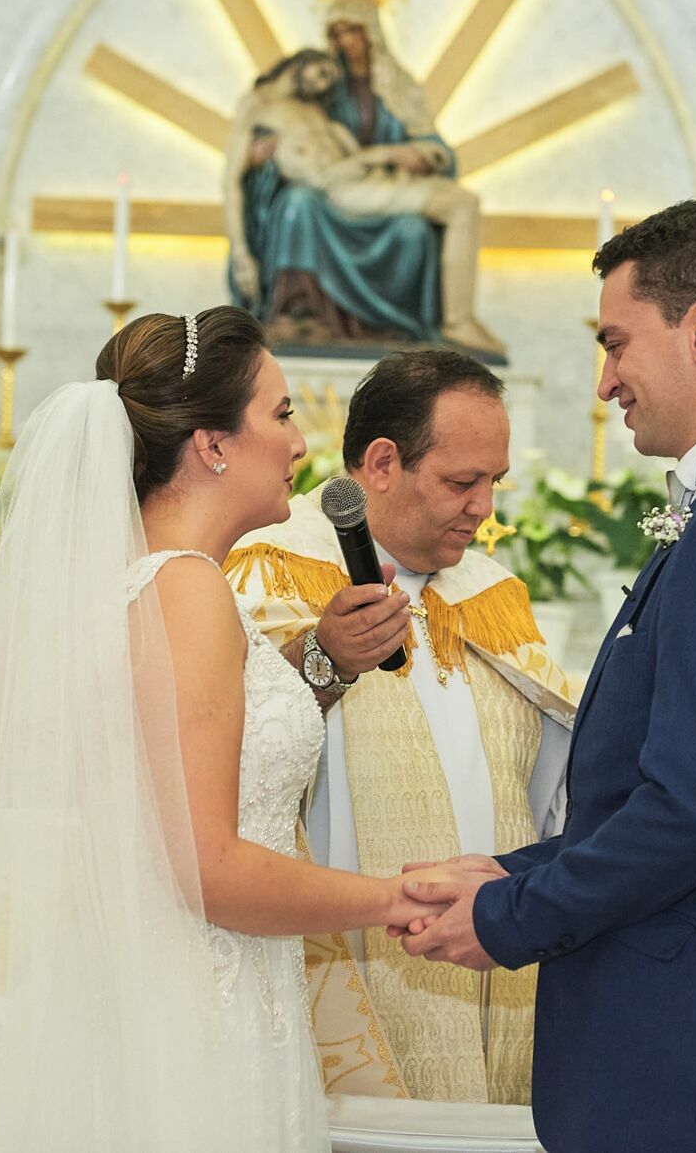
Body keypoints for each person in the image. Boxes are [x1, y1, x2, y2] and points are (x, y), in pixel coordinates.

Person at [0, 308, 451, 1151]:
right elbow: (205, 866)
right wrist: (396, 898)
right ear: (213, 445)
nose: (302, 444)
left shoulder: (155, 583)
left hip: (178, 993)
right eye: (281, 413)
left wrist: (324, 663)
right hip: (190, 1017)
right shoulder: (185, 590)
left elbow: (192, 752)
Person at [398, 200, 696, 1152]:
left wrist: (511, 914)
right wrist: (511, 867)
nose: (605, 379)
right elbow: (668, 798)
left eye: (617, 342)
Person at [227, 348, 575, 1103]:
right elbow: (229, 754)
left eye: (494, 483)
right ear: (382, 463)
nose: (485, 507)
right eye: (462, 482)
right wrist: (322, 658)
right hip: (353, 962)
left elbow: (556, 785)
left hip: (495, 962)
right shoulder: (272, 573)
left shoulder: (495, 596)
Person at [225, 0, 499, 355]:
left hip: (373, 184)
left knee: (413, 229)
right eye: (336, 33)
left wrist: (425, 155)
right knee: (297, 202)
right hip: (333, 191)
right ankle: (301, 314)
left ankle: (415, 324)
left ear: (371, 33)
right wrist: (260, 161)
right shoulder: (310, 96)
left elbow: (426, 141)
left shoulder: (398, 87)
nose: (343, 42)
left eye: (352, 30)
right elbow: (250, 164)